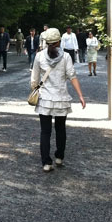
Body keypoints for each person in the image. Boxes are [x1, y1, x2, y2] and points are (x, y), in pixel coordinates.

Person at [30, 27, 86, 172]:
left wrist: (35, 90)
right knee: (61, 129)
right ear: (59, 41)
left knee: (45, 131)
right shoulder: (66, 57)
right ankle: (59, 156)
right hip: (61, 97)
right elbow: (72, 76)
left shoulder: (39, 56)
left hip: (45, 99)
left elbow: (34, 80)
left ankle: (46, 162)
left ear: (46, 42)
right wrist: (80, 95)